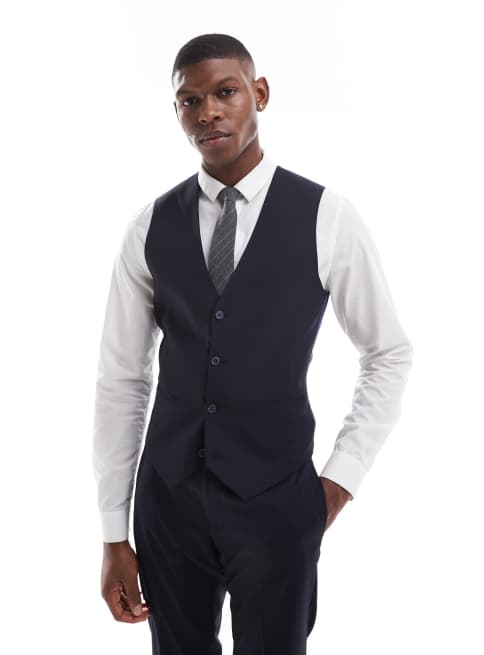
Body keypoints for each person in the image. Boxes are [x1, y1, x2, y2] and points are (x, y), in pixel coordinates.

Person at [92, 32, 414, 655]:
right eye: (190, 101)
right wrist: (113, 532)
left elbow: (388, 353)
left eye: (226, 92)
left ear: (259, 94)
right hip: (169, 503)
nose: (208, 112)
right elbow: (122, 379)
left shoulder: (327, 217)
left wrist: (338, 482)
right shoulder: (148, 227)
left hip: (278, 502)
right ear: (176, 112)